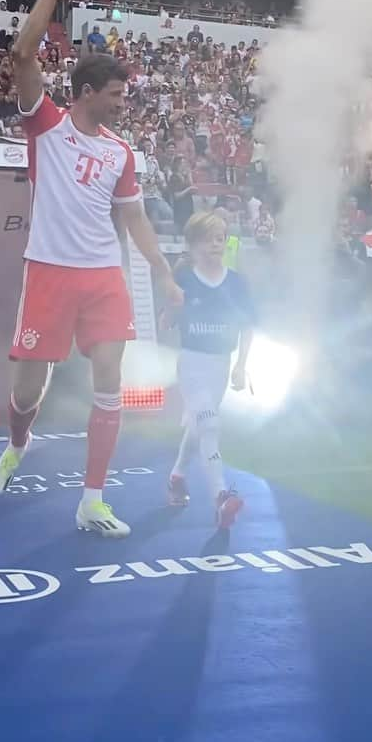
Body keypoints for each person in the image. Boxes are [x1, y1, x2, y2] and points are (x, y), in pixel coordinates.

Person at [0, 0, 183, 538]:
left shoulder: (122, 152)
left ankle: (91, 500)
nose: (125, 103)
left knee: (109, 384)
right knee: (27, 389)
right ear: (88, 94)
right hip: (48, 269)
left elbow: (134, 219)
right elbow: (23, 55)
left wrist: (162, 271)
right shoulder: (45, 125)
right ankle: (17, 444)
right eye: (118, 95)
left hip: (103, 276)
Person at [166, 212, 254, 528]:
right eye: (208, 239)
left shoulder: (236, 282)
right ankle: (221, 495)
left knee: (199, 426)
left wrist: (242, 365)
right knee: (210, 424)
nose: (215, 245)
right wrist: (173, 308)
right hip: (192, 362)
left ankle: (177, 476)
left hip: (221, 364)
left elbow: (248, 326)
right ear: (193, 244)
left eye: (220, 238)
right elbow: (169, 319)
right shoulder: (185, 279)